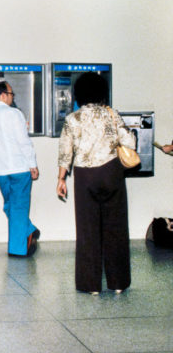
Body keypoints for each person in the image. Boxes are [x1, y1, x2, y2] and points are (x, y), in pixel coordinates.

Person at [57, 72, 135, 295]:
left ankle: (90, 285)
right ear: (102, 92)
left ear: (78, 94)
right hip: (112, 173)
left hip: (85, 176)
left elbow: (65, 152)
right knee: (116, 228)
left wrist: (61, 178)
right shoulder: (112, 115)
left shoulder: (73, 119)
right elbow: (129, 141)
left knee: (87, 230)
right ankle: (118, 283)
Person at [0, 81, 40, 257]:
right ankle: (18, 249)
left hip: (0, 169)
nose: (12, 97)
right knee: (18, 207)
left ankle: (29, 230)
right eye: (11, 94)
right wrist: (33, 164)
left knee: (10, 204)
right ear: (3, 95)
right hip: (19, 167)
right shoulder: (14, 113)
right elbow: (23, 141)